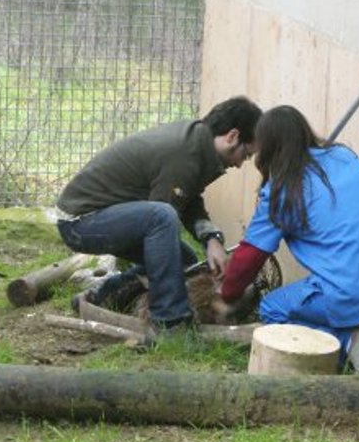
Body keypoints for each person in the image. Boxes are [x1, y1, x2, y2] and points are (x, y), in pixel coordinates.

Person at [215, 105, 359, 373]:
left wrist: (227, 294)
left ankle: (347, 341)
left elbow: (250, 256)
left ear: (266, 150)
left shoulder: (282, 189)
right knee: (324, 284)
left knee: (273, 309)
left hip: (358, 290)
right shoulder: (343, 156)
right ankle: (356, 329)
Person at [56, 96, 262, 331]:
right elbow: (165, 214)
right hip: (80, 223)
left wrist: (211, 239)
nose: (239, 164)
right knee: (163, 219)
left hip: (94, 218)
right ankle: (170, 321)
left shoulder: (196, 143)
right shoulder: (185, 153)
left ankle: (102, 297)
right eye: (245, 155)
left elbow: (188, 198)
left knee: (184, 260)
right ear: (232, 136)